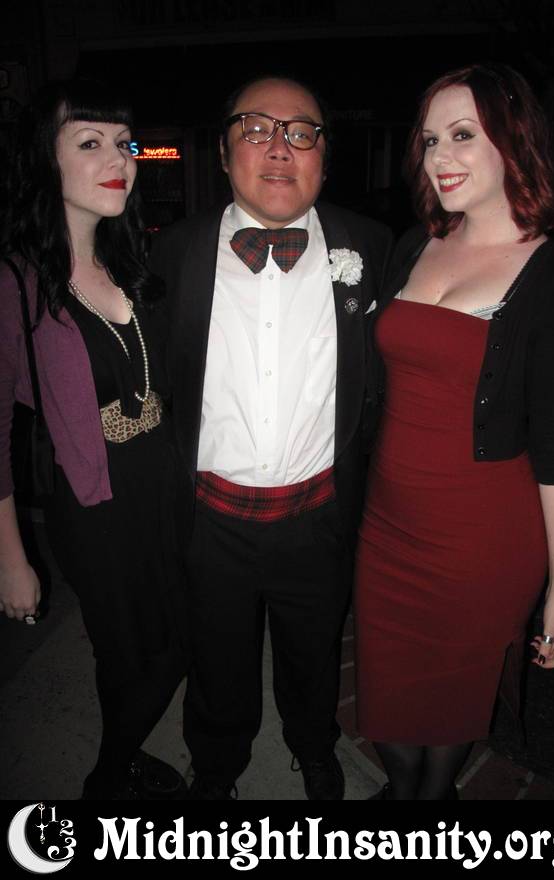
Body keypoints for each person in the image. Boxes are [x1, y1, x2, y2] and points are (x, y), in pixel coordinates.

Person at [354, 63, 554, 800]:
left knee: (446, 725)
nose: (440, 156)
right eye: (430, 139)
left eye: (463, 134)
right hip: (387, 527)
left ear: (513, 140)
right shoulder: (413, 244)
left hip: (481, 544)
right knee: (390, 721)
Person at [150, 74, 394, 800]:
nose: (280, 148)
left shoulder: (370, 247)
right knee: (216, 659)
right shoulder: (175, 252)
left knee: (313, 653)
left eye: (301, 132)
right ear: (224, 154)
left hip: (319, 514)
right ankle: (216, 767)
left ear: (325, 156)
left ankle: (313, 745)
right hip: (211, 519)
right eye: (256, 129)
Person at [0, 80, 189, 799]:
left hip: (166, 494)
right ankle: (108, 782)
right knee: (135, 656)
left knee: (177, 643)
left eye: (123, 143)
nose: (119, 160)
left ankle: (118, 762)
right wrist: (11, 560)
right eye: (89, 142)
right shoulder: (16, 283)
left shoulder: (134, 263)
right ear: (43, 162)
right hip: (98, 512)